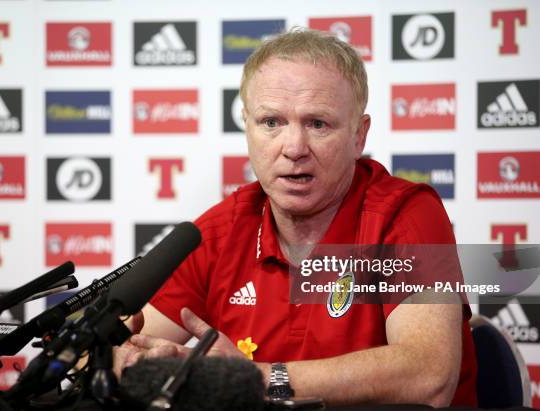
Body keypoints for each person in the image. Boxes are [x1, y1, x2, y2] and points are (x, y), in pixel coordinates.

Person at [114, 29, 477, 407]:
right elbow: (114, 348)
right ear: (248, 128)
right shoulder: (223, 228)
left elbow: (429, 376)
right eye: (271, 122)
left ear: (358, 135)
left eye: (318, 124)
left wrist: (258, 379)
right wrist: (125, 360)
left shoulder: (408, 213)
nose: (293, 148)